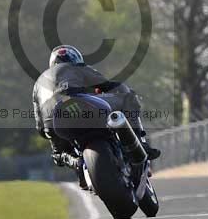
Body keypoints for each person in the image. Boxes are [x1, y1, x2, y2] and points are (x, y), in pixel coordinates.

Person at [32, 45, 161, 185]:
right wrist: (126, 90)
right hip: (78, 105)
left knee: (59, 154)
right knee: (127, 97)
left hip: (51, 121)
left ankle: (80, 172)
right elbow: (108, 85)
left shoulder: (38, 84)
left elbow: (40, 126)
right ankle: (141, 144)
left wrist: (50, 135)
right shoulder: (77, 68)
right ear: (75, 58)